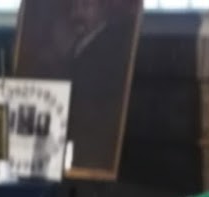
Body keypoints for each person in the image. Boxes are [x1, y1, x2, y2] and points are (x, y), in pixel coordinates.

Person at [17, 0, 141, 177]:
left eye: (85, 6)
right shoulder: (79, 43)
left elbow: (91, 97)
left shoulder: (109, 47)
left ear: (102, 8)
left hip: (92, 146)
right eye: (74, 7)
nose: (77, 14)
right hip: (70, 140)